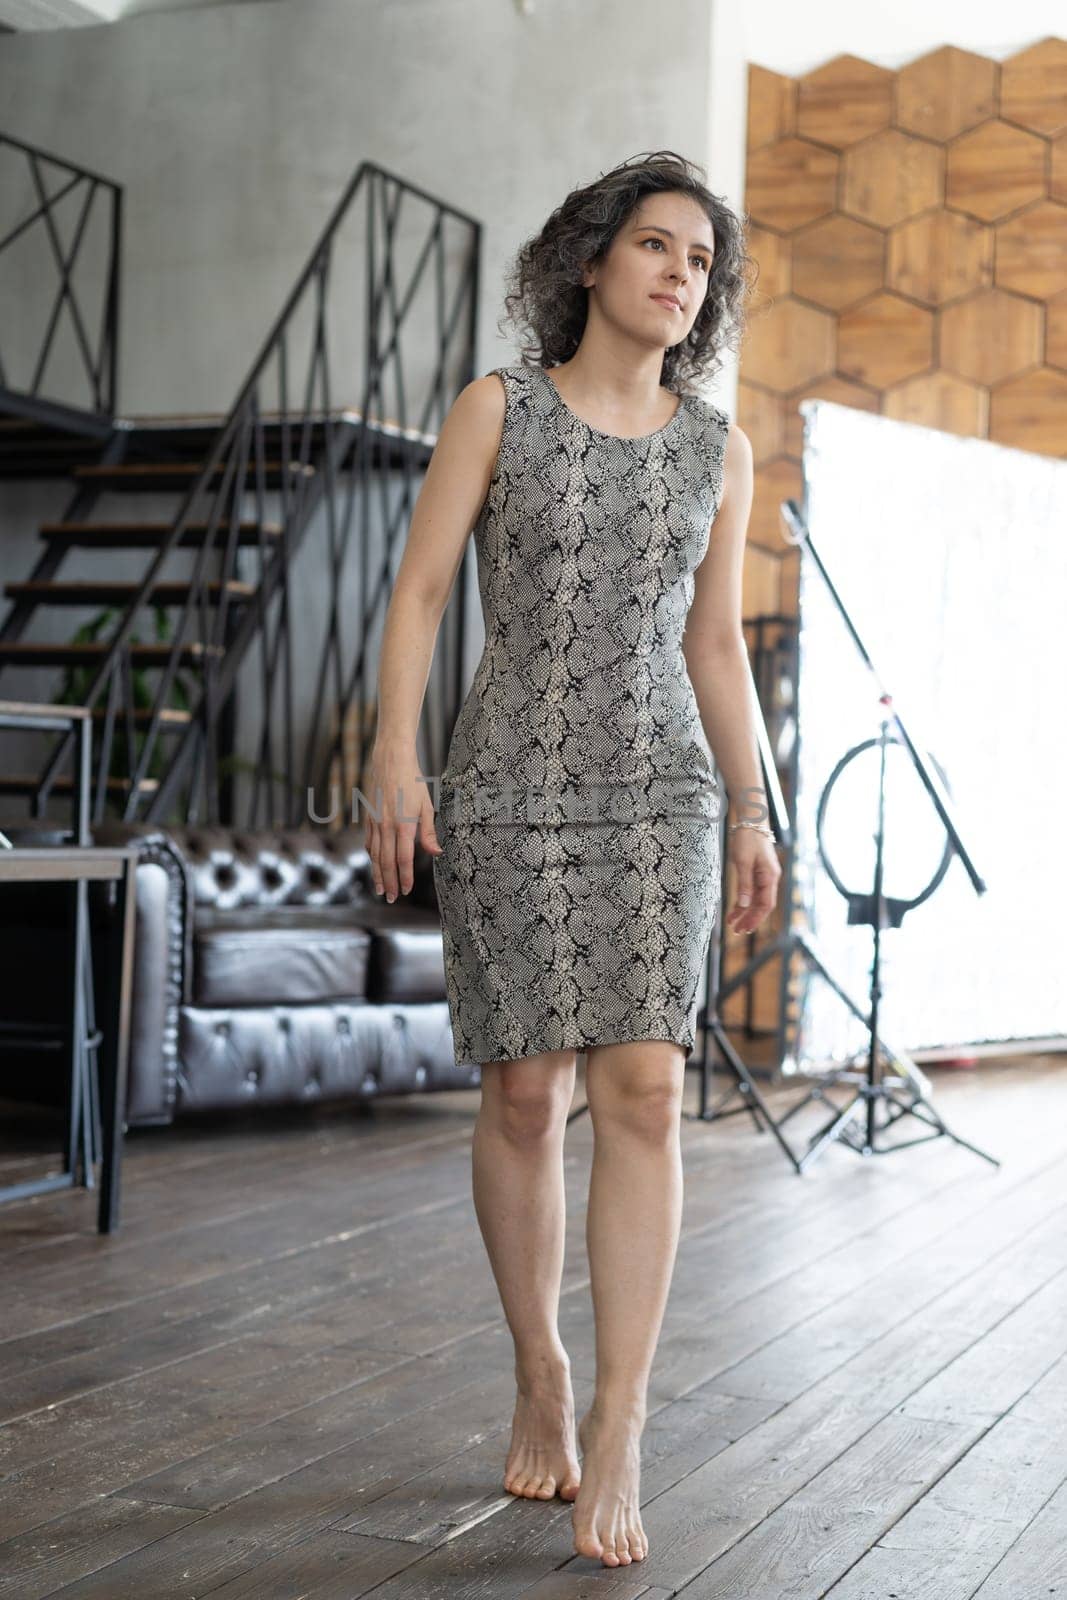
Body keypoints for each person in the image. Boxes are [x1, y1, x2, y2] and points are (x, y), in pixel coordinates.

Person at [364, 150, 781, 1570]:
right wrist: (391, 758)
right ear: (595, 261)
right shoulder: (499, 410)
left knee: (648, 1092)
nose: (680, 274)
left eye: (703, 262)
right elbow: (421, 592)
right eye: (658, 247)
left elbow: (716, 646)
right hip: (508, 785)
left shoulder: (716, 449)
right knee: (528, 1095)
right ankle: (538, 1364)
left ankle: (618, 1420)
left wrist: (757, 805)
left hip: (658, 786)